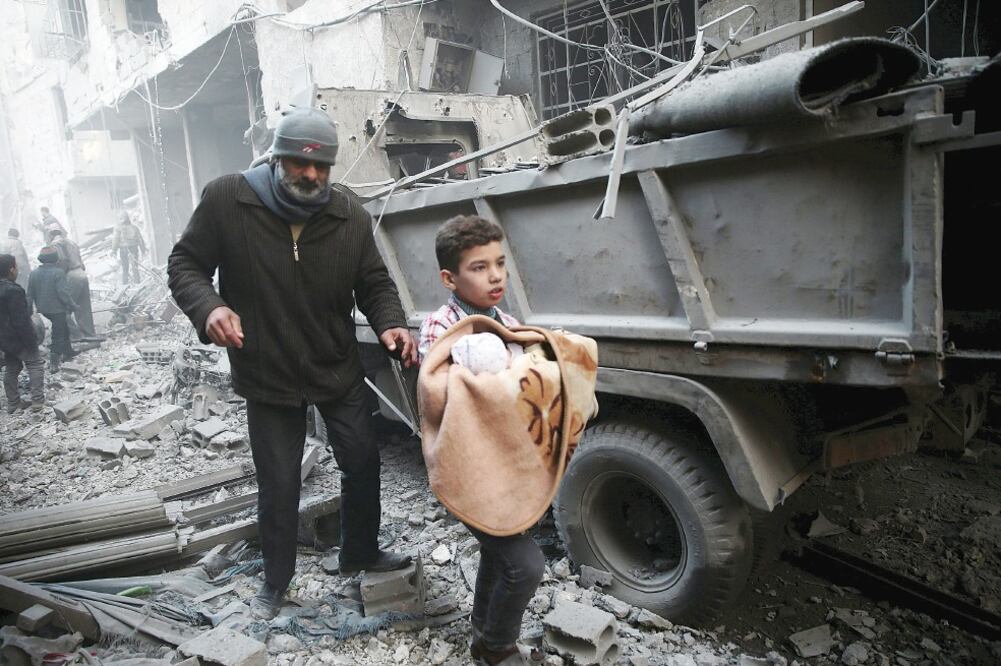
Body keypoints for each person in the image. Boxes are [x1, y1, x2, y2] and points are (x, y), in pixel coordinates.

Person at [167, 107, 418, 621]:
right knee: (279, 483)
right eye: (300, 166)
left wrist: (391, 320)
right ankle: (276, 581)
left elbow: (373, 282)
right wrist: (210, 306)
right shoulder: (227, 199)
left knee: (362, 463)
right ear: (277, 158)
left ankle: (360, 553)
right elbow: (185, 265)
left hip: (336, 366)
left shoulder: (350, 215)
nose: (311, 177)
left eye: (322, 168)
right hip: (268, 372)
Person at [417, 215, 543, 666]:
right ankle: (496, 648)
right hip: (467, 468)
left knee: (499, 551)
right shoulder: (440, 328)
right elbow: (442, 394)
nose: (495, 276)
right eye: (479, 267)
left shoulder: (506, 322)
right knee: (526, 564)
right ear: (449, 278)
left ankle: (482, 629)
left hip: (505, 465)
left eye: (500, 264)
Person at [0, 254, 45, 413]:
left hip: (4, 339)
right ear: (11, 269)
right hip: (18, 337)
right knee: (35, 364)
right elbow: (21, 321)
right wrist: (31, 340)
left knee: (12, 367)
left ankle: (13, 403)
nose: (17, 269)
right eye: (16, 266)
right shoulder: (13, 290)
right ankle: (37, 401)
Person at [27, 246, 78, 370]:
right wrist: (72, 305)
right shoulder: (58, 272)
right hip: (57, 309)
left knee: (64, 328)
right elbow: (63, 293)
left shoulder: (33, 274)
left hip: (43, 309)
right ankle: (54, 362)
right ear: (55, 259)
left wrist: (29, 311)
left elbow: (29, 294)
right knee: (58, 333)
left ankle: (68, 351)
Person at [48, 229, 98, 340]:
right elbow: (80, 259)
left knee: (62, 308)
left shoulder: (55, 244)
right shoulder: (71, 242)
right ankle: (89, 334)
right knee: (83, 307)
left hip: (71, 274)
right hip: (81, 272)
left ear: (51, 235)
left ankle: (75, 335)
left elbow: (62, 260)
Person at [111, 211, 147, 284]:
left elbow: (115, 240)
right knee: (135, 267)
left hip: (123, 250)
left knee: (125, 268)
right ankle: (137, 284)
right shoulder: (134, 228)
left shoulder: (118, 228)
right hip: (133, 249)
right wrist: (143, 250)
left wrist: (114, 250)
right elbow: (140, 240)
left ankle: (125, 285)